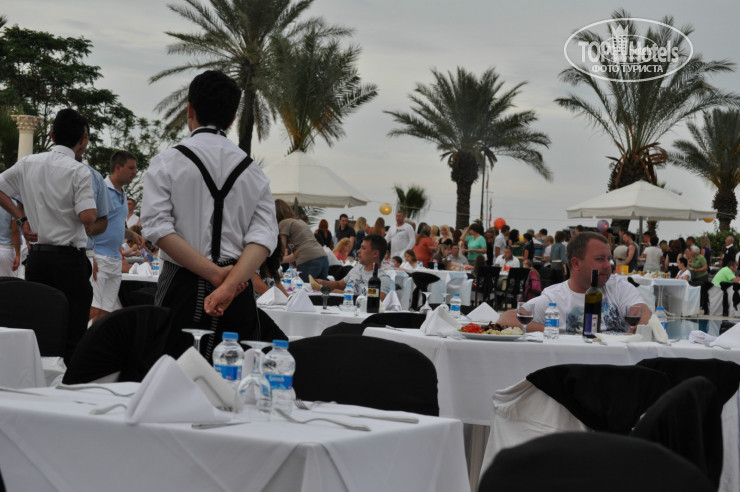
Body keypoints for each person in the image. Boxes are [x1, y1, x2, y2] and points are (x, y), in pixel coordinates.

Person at [142, 70, 280, 360]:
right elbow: (264, 237)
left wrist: (215, 275)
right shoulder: (253, 171)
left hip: (181, 286)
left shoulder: (167, 162)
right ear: (232, 119)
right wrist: (228, 285)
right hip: (238, 287)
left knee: (172, 372)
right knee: (235, 376)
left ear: (189, 110)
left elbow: (157, 228)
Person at [0, 108, 97, 362]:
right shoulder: (79, 171)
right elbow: (88, 217)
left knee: (40, 328)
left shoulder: (28, 163)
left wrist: (22, 219)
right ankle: (67, 382)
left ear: (52, 135)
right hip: (69, 261)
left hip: (38, 258)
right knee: (73, 333)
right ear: (82, 140)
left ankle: (38, 378)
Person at [497, 232, 651, 333]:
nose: (608, 265)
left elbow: (643, 313)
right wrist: (554, 332)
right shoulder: (555, 297)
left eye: (608, 258)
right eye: (599, 259)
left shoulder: (618, 286)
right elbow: (506, 319)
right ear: (576, 263)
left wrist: (641, 328)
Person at [89, 150, 145, 323]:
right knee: (92, 309)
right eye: (131, 168)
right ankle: (77, 340)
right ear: (118, 167)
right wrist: (89, 255)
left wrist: (132, 234)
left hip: (115, 259)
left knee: (106, 311)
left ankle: (94, 339)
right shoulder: (100, 189)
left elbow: (115, 224)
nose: (135, 172)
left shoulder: (123, 192)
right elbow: (86, 224)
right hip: (98, 257)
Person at [317, 234, 391, 300]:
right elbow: (339, 285)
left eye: (363, 248)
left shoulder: (382, 279)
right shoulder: (357, 268)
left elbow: (376, 301)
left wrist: (345, 294)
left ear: (375, 253)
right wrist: (321, 282)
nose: (358, 251)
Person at [274, 199, 329, 281]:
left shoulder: (283, 223)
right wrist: (279, 261)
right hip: (323, 258)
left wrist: (271, 260)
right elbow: (299, 253)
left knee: (303, 287)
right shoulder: (300, 222)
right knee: (320, 288)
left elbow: (281, 248)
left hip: (308, 261)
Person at [0, 200, 21, 277]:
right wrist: (18, 254)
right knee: (10, 281)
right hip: (6, 249)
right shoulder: (12, 203)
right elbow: (15, 231)